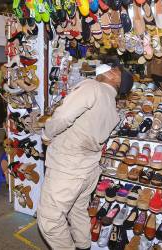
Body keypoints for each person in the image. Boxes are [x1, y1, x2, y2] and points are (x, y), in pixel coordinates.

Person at [37, 59, 134, 250]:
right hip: (89, 168)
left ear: (114, 76)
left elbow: (63, 116)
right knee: (77, 210)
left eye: (113, 68)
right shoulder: (112, 107)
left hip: (68, 166)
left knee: (49, 220)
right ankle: (84, 246)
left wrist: (47, 134)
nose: (108, 67)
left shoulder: (93, 87)